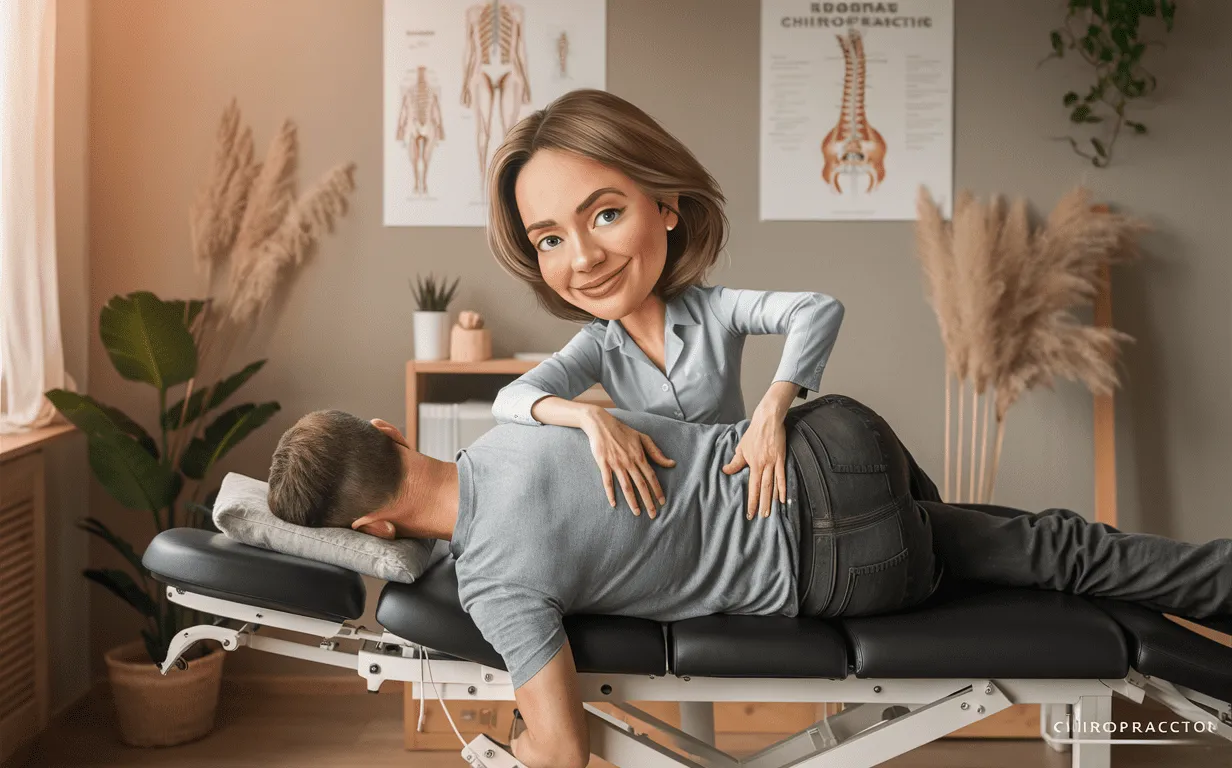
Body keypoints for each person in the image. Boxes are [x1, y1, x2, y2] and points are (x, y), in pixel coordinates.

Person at [266, 396, 1232, 768]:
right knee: (1040, 545)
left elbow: (560, 750)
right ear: (395, 435)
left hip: (847, 569)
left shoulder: (495, 590)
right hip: (841, 441)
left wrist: (503, 743)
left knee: (964, 552)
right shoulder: (530, 424)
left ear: (372, 527)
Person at [486, 88, 845, 521]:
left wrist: (772, 409)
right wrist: (591, 418)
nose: (584, 259)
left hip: (751, 506)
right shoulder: (597, 348)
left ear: (666, 206)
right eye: (551, 240)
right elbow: (511, 399)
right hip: (664, 520)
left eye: (606, 215)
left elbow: (816, 309)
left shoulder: (716, 311)